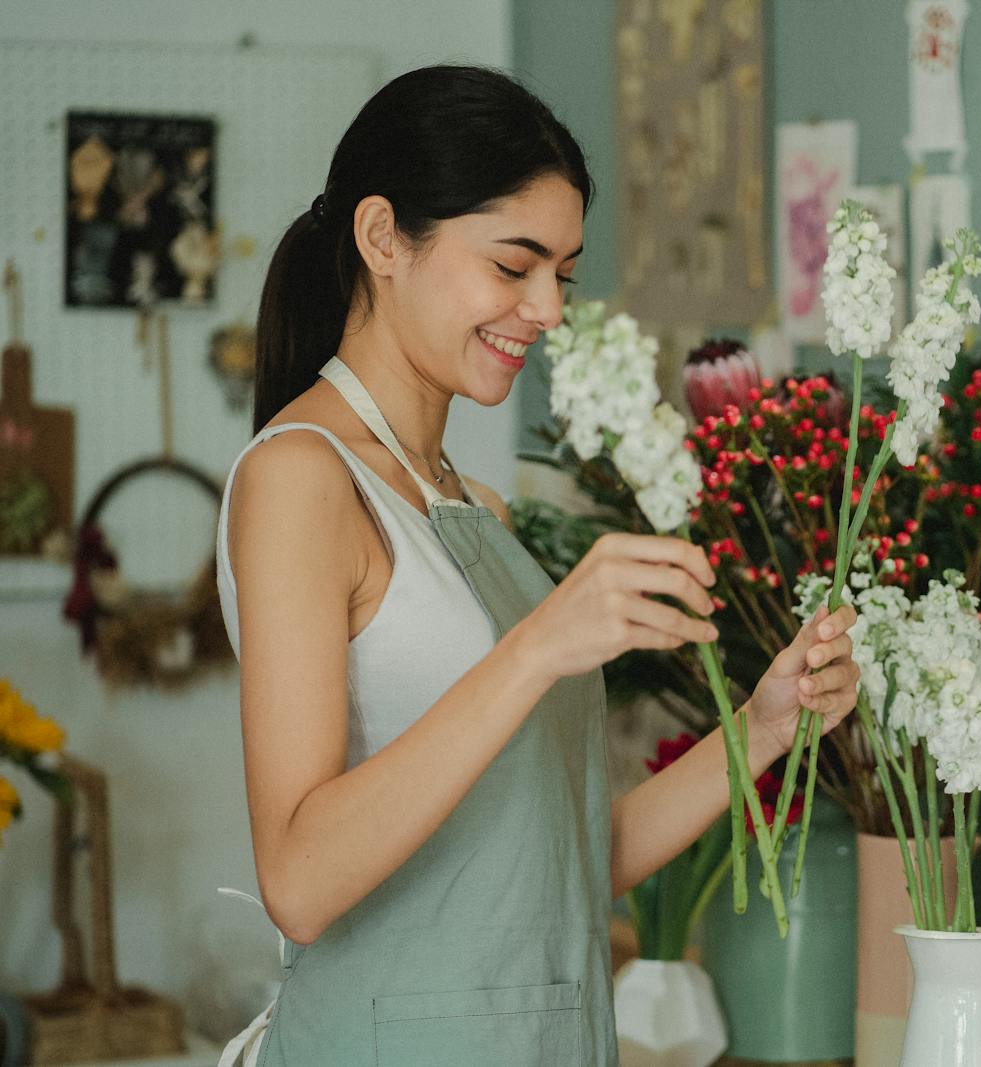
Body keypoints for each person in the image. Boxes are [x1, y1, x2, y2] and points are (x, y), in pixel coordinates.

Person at [214, 65, 860, 1066]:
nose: (548, 308)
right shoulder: (303, 478)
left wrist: (765, 728)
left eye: (563, 270)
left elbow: (563, 856)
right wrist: (533, 648)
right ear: (383, 237)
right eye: (514, 265)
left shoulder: (478, 509)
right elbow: (296, 876)